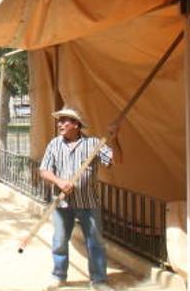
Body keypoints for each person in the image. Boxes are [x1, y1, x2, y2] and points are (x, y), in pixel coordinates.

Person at [39, 107, 123, 291]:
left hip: (89, 202)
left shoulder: (93, 144)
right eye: (59, 121)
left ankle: (99, 280)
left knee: (95, 242)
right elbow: (44, 170)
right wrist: (59, 182)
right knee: (60, 240)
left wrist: (114, 138)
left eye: (64, 121)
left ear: (76, 125)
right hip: (62, 203)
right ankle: (58, 275)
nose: (60, 124)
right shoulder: (54, 144)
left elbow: (115, 161)